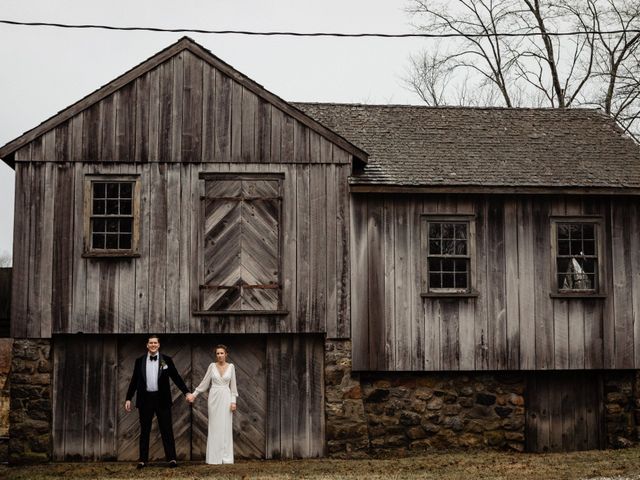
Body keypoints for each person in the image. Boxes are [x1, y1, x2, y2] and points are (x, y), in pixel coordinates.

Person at [124, 335, 194, 469]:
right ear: (147, 345)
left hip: (162, 399)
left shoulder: (166, 360)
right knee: (144, 430)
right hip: (145, 400)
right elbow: (134, 380)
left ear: (159, 345)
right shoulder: (139, 361)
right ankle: (143, 460)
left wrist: (186, 392)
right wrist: (128, 398)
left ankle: (172, 459)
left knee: (166, 429)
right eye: (151, 343)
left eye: (155, 343)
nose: (153, 345)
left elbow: (176, 377)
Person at [188, 344, 238, 464]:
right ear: (216, 355)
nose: (220, 355)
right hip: (214, 398)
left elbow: (233, 386)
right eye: (217, 353)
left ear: (226, 354)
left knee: (226, 426)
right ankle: (214, 458)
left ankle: (225, 458)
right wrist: (194, 394)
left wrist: (233, 401)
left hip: (226, 397)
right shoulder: (212, 366)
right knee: (214, 426)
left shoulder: (231, 367)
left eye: (222, 353)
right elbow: (204, 383)